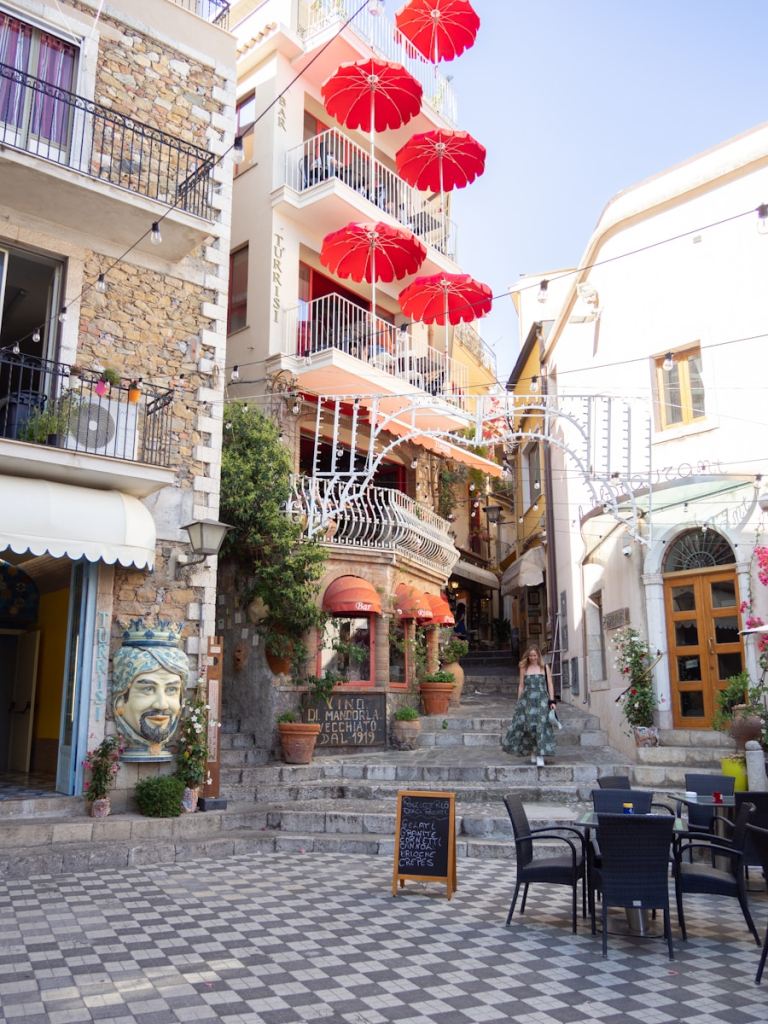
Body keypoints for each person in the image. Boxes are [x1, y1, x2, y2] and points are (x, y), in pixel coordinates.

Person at [501, 645, 556, 767]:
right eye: (530, 655)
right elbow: (521, 685)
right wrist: (519, 701)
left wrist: (552, 701)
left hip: (542, 700)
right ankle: (532, 751)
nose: (532, 658)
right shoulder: (524, 668)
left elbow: (550, 684)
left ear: (538, 656)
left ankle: (540, 755)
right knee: (530, 727)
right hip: (527, 701)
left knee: (541, 727)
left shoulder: (545, 667)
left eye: (534, 655)